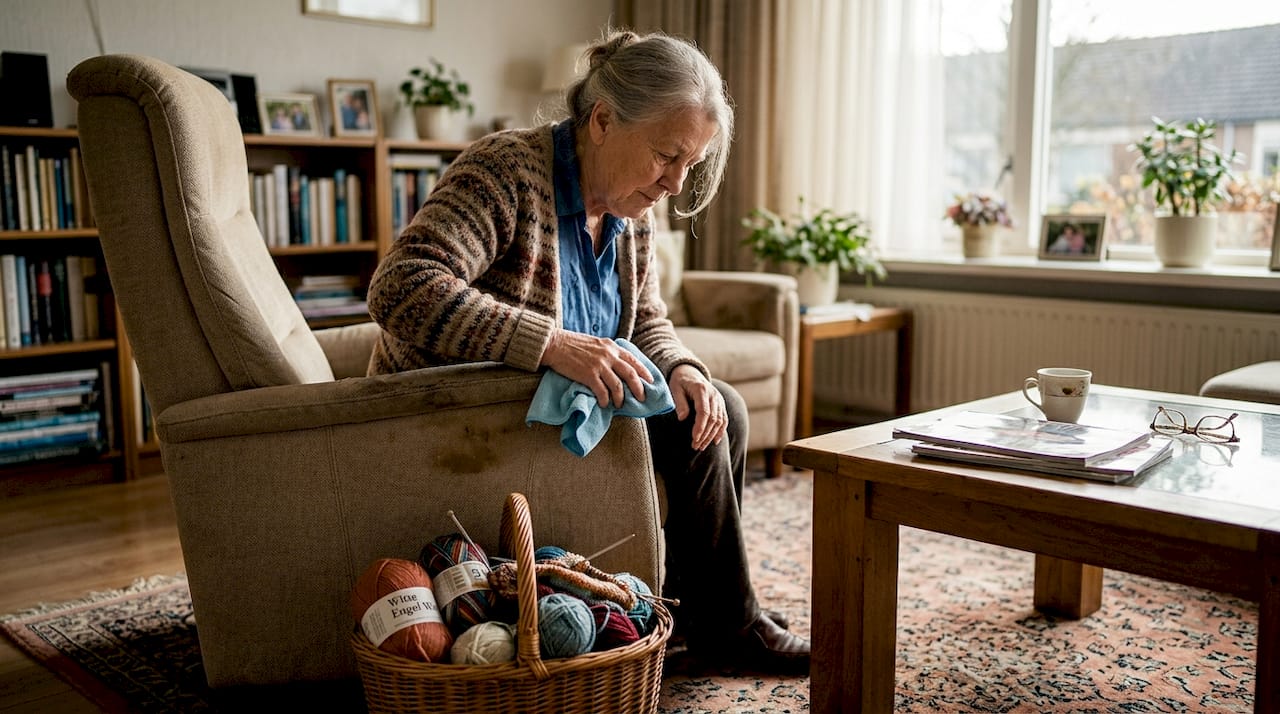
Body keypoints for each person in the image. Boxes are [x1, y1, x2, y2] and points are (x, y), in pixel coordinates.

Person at [365, 28, 810, 674]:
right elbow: (400, 287)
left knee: (718, 409)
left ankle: (692, 614)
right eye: (666, 155)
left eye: (690, 164)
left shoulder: (633, 211)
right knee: (698, 425)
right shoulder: (505, 172)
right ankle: (729, 628)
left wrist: (682, 367)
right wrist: (550, 343)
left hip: (559, 405)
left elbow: (647, 320)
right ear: (602, 120)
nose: (675, 184)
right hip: (466, 415)